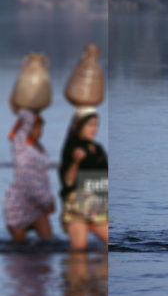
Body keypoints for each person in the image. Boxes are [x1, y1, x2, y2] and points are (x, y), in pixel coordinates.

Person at [59, 107, 108, 250]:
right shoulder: (72, 147)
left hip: (96, 204)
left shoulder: (98, 149)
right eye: (90, 125)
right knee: (79, 252)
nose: (94, 129)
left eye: (96, 125)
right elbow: (67, 182)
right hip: (77, 205)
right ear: (80, 125)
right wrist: (75, 162)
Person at [4, 105, 54, 241]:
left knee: (49, 243)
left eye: (40, 128)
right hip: (18, 204)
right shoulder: (20, 145)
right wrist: (21, 107)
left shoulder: (40, 149)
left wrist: (49, 200)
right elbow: (29, 181)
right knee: (18, 249)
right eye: (34, 127)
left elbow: (44, 179)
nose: (38, 131)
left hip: (36, 204)